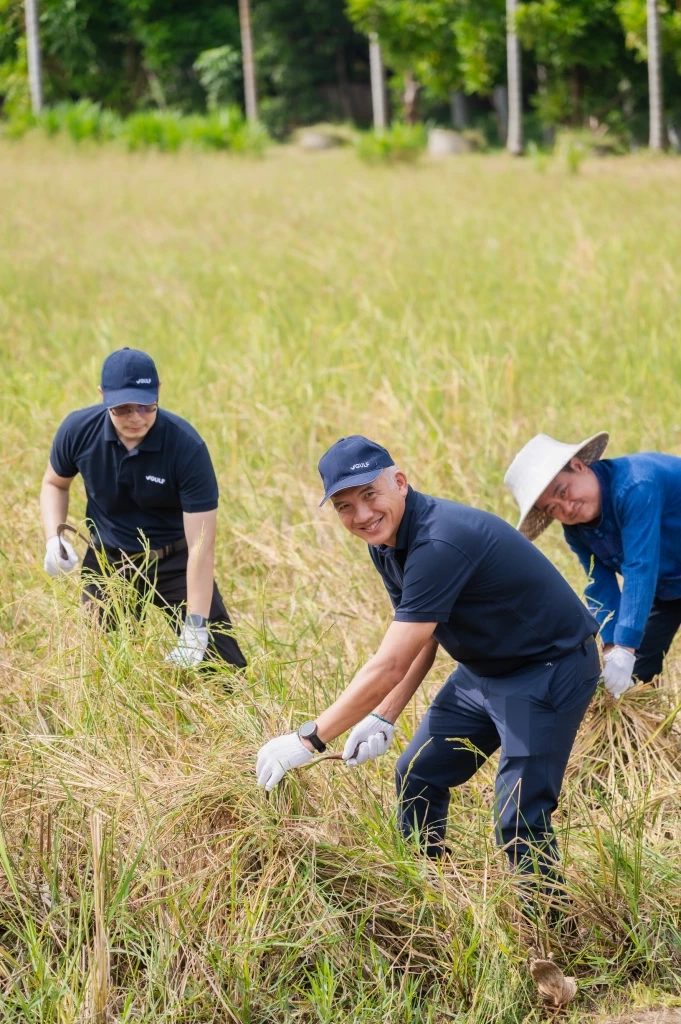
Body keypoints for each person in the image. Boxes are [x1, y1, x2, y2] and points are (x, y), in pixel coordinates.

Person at [256, 435, 600, 880]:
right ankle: (429, 887)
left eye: (369, 495)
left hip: (548, 670)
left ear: (399, 482)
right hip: (481, 671)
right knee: (417, 774)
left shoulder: (440, 540)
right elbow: (422, 631)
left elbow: (390, 663)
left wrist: (310, 739)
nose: (361, 515)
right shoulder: (386, 540)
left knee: (519, 819)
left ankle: (552, 935)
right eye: (344, 506)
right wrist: (384, 715)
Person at [40, 347, 246, 671]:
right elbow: (55, 483)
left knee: (223, 672)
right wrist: (54, 538)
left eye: (146, 405)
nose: (136, 417)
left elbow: (201, 545)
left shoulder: (186, 447)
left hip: (174, 559)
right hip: (109, 561)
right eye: (123, 408)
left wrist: (195, 623)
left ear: (159, 391)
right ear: (102, 396)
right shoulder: (78, 431)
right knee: (108, 669)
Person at [505, 431, 681, 695]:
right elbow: (599, 583)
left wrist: (626, 645)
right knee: (634, 676)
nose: (566, 507)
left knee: (629, 649)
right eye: (553, 509)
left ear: (578, 466)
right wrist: (612, 647)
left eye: (563, 491)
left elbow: (640, 566)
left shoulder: (635, 485)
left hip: (656, 575)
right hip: (668, 587)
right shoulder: (576, 531)